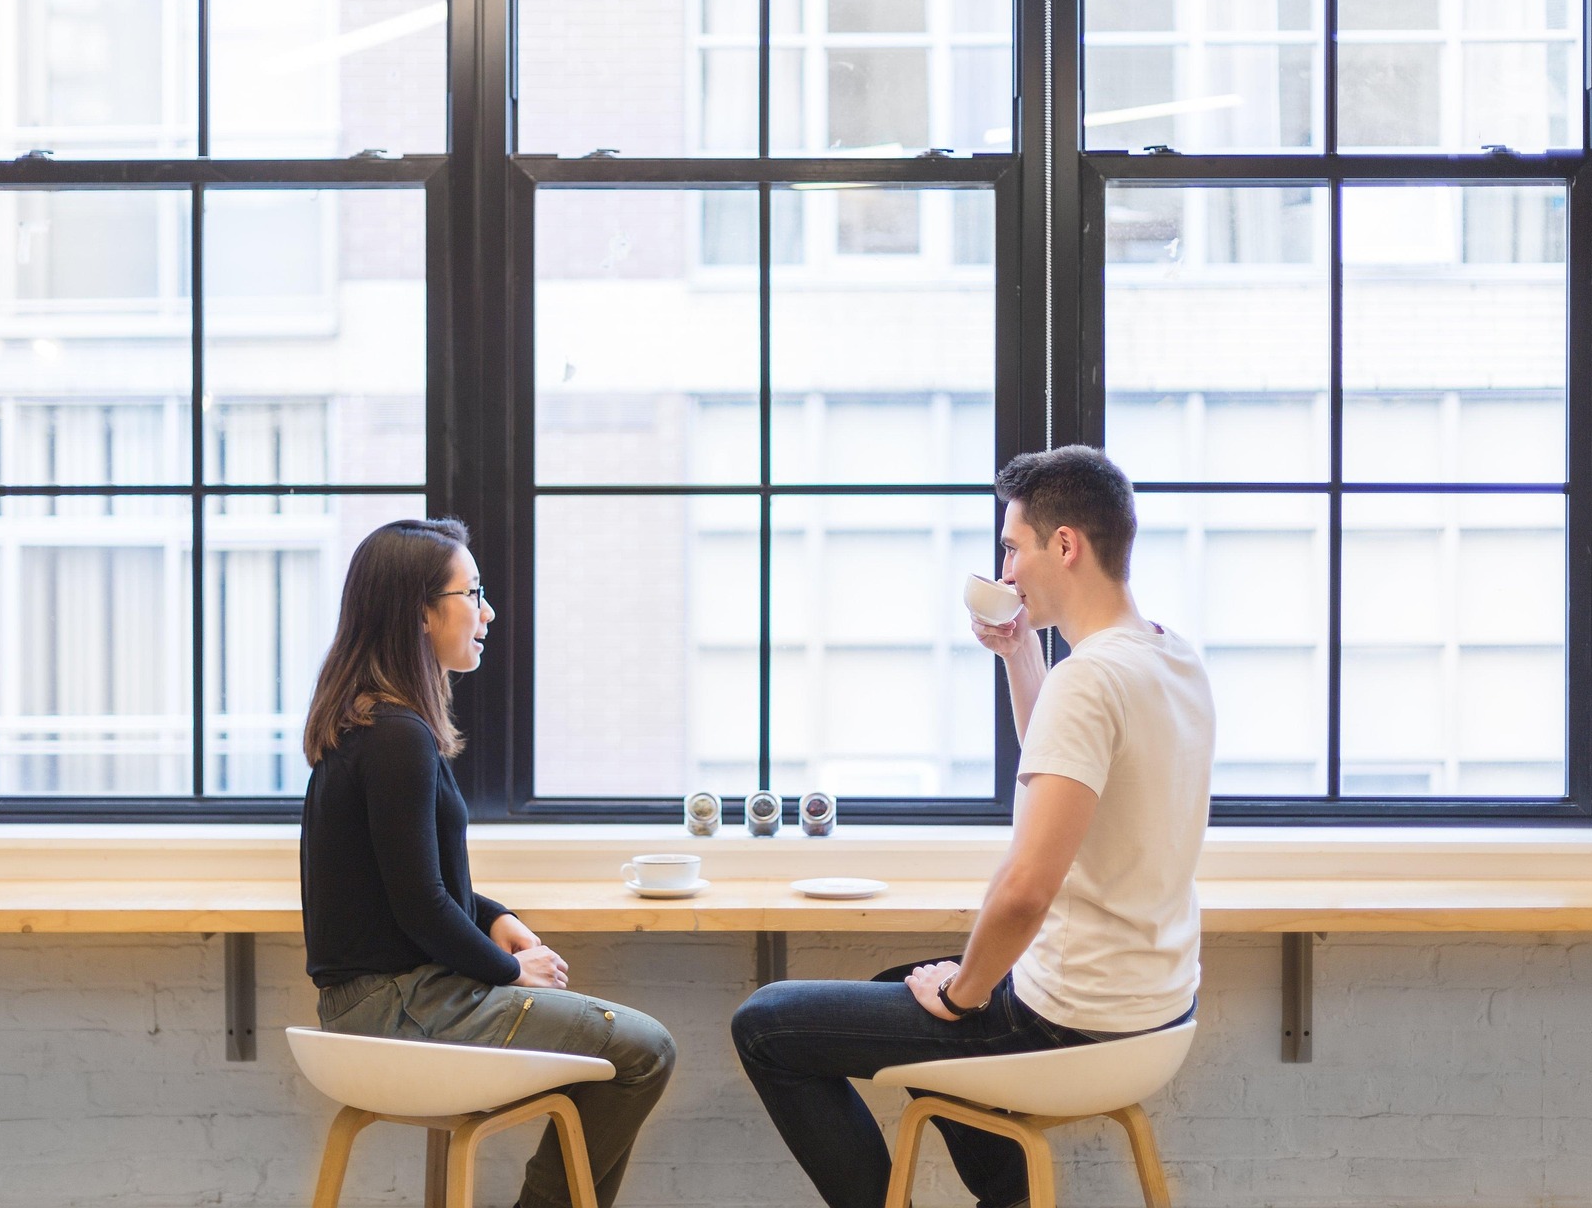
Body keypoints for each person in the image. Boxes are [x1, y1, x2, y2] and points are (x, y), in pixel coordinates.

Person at [730, 446, 1215, 1208]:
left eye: (1012, 548)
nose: (1008, 572)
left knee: (766, 1026)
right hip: (1155, 1008)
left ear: (1065, 546)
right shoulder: (1167, 655)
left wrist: (964, 995)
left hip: (1072, 1020)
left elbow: (1025, 890)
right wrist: (1022, 653)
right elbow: (1069, 766)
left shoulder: (1089, 678)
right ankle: (1010, 1198)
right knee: (900, 988)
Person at [299, 517, 675, 1208]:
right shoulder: (396, 738)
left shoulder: (374, 724)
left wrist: (495, 917)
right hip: (397, 1008)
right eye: (472, 592)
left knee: (597, 1046)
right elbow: (419, 905)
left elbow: (412, 881)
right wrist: (508, 970)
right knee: (645, 1050)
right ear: (420, 612)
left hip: (379, 1003)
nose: (487, 611)